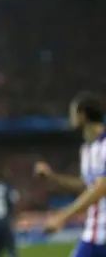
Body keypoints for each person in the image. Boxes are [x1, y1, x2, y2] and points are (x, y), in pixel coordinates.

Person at [36, 91, 106, 257]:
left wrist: (63, 216)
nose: (71, 116)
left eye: (73, 112)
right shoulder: (86, 150)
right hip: (93, 234)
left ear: (82, 115)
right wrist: (52, 177)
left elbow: (101, 188)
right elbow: (87, 186)